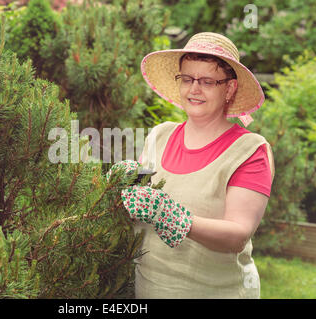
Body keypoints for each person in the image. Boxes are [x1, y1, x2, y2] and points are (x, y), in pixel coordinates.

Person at [111, 32, 275, 298]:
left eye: (207, 81)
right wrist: (120, 191)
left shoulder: (249, 151)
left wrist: (172, 216)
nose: (194, 89)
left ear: (229, 88)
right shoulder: (159, 135)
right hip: (148, 290)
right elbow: (138, 206)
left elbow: (237, 236)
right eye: (187, 79)